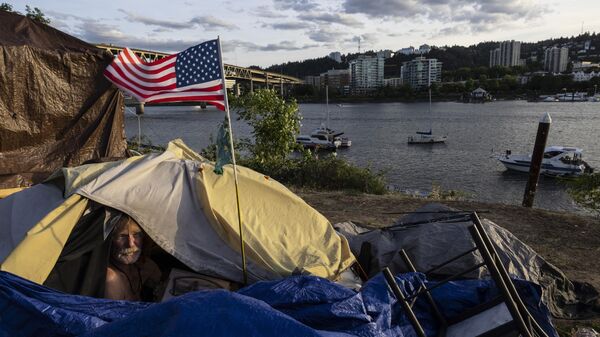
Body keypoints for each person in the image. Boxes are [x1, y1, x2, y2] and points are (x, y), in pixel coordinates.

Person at [105, 214, 161, 301]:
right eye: (122, 236)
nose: (130, 244)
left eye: (136, 235)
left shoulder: (145, 266)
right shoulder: (112, 280)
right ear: (110, 241)